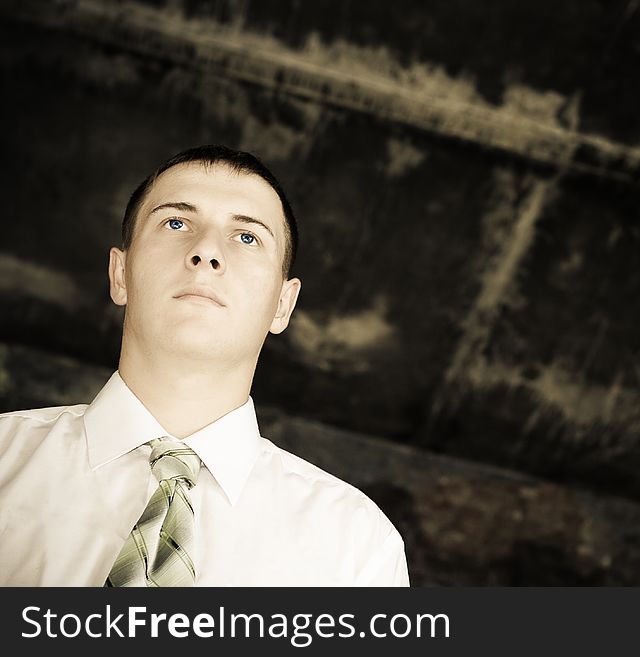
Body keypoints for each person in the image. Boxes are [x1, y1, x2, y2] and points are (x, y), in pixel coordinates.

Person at [0, 145, 409, 586]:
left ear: (282, 304)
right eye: (176, 222)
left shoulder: (356, 546)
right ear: (120, 273)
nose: (207, 252)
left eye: (247, 237)